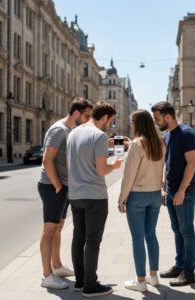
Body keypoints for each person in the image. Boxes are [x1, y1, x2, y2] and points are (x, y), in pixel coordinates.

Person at [67, 101, 123, 297]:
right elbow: (101, 170)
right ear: (105, 117)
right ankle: (91, 286)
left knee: (78, 237)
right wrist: (114, 166)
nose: (110, 124)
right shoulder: (99, 136)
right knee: (92, 241)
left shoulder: (74, 132)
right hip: (94, 196)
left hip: (75, 194)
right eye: (111, 120)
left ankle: (80, 281)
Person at [38, 97, 94, 289]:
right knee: (49, 229)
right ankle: (47, 275)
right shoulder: (59, 130)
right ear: (77, 114)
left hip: (63, 186)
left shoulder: (71, 130)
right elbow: (47, 160)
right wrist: (58, 186)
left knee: (59, 227)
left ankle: (57, 265)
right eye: (87, 116)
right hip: (52, 186)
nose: (89, 119)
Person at [151, 101, 195, 287]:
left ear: (168, 116)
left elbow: (192, 163)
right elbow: (166, 162)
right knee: (177, 230)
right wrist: (165, 188)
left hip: (185, 192)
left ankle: (189, 272)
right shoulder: (167, 134)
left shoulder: (187, 133)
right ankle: (179, 266)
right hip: (171, 191)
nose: (156, 122)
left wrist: (181, 190)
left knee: (187, 231)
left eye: (157, 118)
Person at [118, 110, 166, 292]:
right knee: (151, 235)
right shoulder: (160, 143)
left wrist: (122, 199)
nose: (130, 125)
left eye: (132, 122)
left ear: (137, 123)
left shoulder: (137, 145)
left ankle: (140, 281)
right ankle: (153, 276)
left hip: (137, 196)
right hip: (154, 194)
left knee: (137, 238)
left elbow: (128, 175)